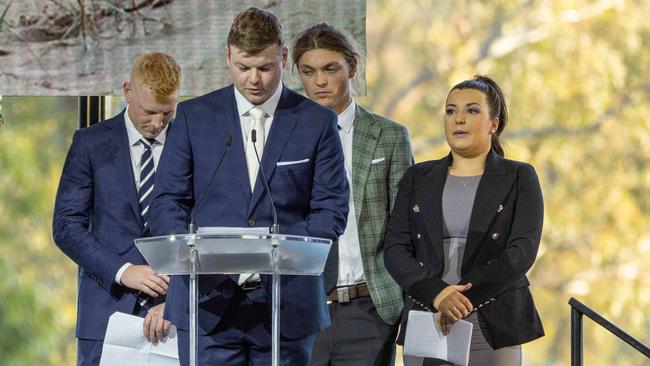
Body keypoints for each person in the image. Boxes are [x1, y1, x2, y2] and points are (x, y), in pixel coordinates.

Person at [148, 8, 349, 366]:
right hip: (206, 303)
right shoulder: (194, 118)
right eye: (243, 67)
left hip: (286, 304)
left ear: (283, 57)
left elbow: (331, 210)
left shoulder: (316, 122)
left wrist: (278, 254)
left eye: (265, 67)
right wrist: (197, 254)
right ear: (228, 56)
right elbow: (166, 203)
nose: (254, 79)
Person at [384, 75, 544, 365]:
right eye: (450, 110)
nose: (458, 119)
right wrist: (438, 295)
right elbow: (395, 249)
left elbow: (522, 252)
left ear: (493, 124)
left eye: (471, 110)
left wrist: (457, 300)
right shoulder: (418, 177)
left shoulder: (520, 176)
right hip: (427, 315)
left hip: (492, 318)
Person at [292, 23, 413, 366]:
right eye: (308, 71)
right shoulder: (283, 138)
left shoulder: (389, 136)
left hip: (371, 309)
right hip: (304, 309)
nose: (320, 81)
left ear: (353, 67)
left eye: (331, 69)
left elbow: (404, 226)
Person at [52, 51, 182, 365]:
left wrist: (178, 300)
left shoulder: (190, 143)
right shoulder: (89, 143)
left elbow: (205, 227)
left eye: (166, 113)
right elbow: (66, 227)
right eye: (149, 112)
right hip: (105, 315)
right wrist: (124, 272)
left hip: (175, 318)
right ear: (127, 91)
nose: (156, 123)